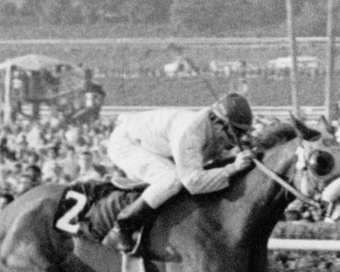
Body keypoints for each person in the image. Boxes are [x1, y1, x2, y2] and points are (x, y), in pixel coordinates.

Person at [103, 93, 257, 253]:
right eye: (236, 134)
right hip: (126, 144)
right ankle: (122, 226)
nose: (236, 139)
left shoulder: (209, 126)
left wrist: (230, 156)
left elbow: (207, 157)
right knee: (173, 180)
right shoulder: (189, 130)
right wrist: (233, 168)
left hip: (154, 147)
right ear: (219, 124)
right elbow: (192, 182)